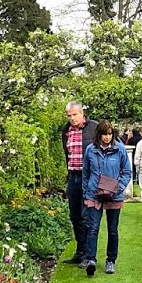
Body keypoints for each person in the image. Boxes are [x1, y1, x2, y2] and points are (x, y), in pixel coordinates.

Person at [81, 120, 132, 276]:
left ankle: (111, 260)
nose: (107, 137)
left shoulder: (120, 149)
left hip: (114, 195)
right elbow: (86, 172)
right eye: (104, 134)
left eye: (109, 134)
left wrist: (118, 187)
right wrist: (86, 191)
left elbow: (127, 172)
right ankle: (91, 260)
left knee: (112, 230)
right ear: (99, 134)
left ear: (113, 134)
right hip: (94, 194)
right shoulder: (90, 150)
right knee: (93, 228)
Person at [60, 101, 99, 265]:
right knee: (75, 215)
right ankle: (80, 251)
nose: (72, 118)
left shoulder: (94, 128)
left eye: (75, 115)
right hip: (73, 176)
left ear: (82, 113)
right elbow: (66, 152)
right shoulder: (66, 130)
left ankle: (88, 255)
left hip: (88, 177)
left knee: (86, 216)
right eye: (69, 116)